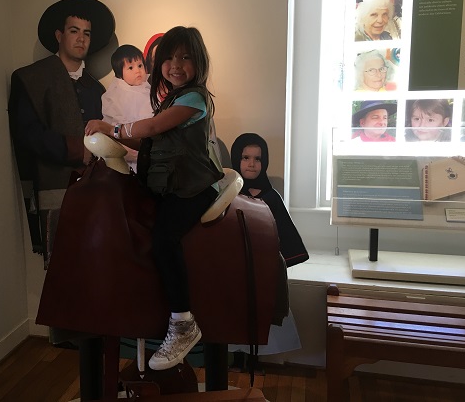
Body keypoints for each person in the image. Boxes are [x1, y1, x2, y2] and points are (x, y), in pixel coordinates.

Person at [85, 26, 223, 371]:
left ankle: (183, 323)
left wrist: (111, 129)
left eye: (186, 57)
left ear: (198, 63)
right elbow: (149, 142)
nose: (177, 64)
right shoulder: (169, 98)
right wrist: (116, 140)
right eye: (171, 57)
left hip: (192, 187)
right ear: (160, 62)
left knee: (164, 239)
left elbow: (148, 129)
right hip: (171, 184)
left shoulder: (193, 98)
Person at [8, 0, 114, 267]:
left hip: (95, 193)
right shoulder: (31, 79)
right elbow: (27, 133)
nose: (81, 39)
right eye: (74, 31)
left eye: (86, 33)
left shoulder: (98, 90)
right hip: (53, 186)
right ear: (59, 35)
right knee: (63, 271)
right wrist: (78, 150)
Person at [227, 133, 309, 374]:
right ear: (236, 159)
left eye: (257, 158)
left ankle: (255, 360)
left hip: (262, 269)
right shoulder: (227, 192)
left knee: (261, 314)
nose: (251, 163)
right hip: (234, 267)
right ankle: (235, 360)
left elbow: (282, 231)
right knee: (235, 313)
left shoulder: (271, 197)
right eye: (245, 157)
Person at [101, 44, 153, 172]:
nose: (137, 70)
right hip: (125, 145)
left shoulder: (148, 89)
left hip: (148, 144)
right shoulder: (115, 94)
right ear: (120, 74)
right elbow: (112, 121)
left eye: (140, 65)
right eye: (130, 67)